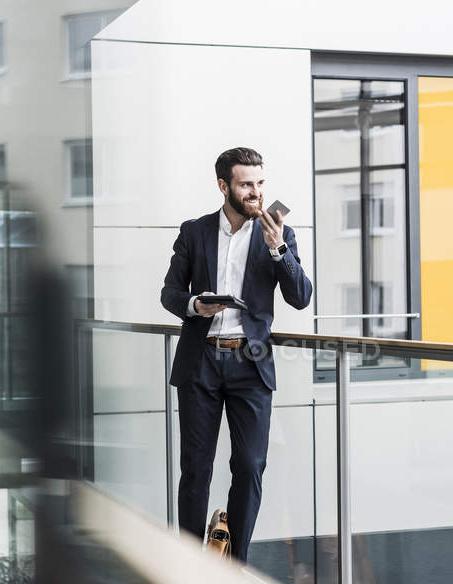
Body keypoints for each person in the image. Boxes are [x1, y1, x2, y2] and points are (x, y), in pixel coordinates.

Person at [160, 147, 312, 563]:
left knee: (248, 466)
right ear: (224, 186)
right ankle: (189, 563)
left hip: (251, 363)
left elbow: (300, 297)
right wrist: (195, 305)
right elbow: (170, 293)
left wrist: (279, 248)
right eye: (246, 184)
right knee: (195, 470)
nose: (256, 193)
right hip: (201, 362)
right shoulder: (195, 232)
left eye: (261, 183)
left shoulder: (279, 233)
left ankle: (236, 565)